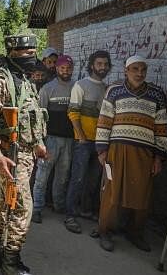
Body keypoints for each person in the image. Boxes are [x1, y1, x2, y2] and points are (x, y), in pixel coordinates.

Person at [0, 34, 47, 274]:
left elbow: (32, 115)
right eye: (27, 53)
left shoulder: (24, 80)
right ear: (13, 53)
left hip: (26, 154)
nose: (32, 57)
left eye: (34, 52)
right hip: (10, 156)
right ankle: (11, 262)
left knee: (5, 204)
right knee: (22, 208)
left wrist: (38, 143)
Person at [95, 55, 167, 252]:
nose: (139, 73)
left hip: (145, 154)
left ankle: (135, 233)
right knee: (111, 193)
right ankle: (105, 231)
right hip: (117, 151)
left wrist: (159, 157)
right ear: (126, 71)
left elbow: (161, 127)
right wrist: (102, 150)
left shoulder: (156, 95)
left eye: (143, 70)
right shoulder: (114, 91)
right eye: (135, 69)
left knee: (142, 195)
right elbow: (104, 121)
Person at [64, 50, 111, 234]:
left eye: (106, 64)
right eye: (99, 64)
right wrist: (81, 136)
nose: (103, 67)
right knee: (77, 178)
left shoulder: (106, 88)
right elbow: (73, 113)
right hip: (83, 142)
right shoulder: (80, 85)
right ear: (92, 65)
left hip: (100, 144)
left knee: (92, 180)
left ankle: (85, 210)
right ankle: (69, 215)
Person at [32, 55, 75, 224]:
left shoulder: (76, 87)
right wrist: (40, 141)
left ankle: (58, 205)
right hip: (50, 139)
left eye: (68, 68)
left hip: (69, 140)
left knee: (63, 176)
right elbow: (39, 117)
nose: (65, 71)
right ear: (57, 69)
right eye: (62, 68)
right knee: (42, 176)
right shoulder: (47, 89)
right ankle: (37, 208)